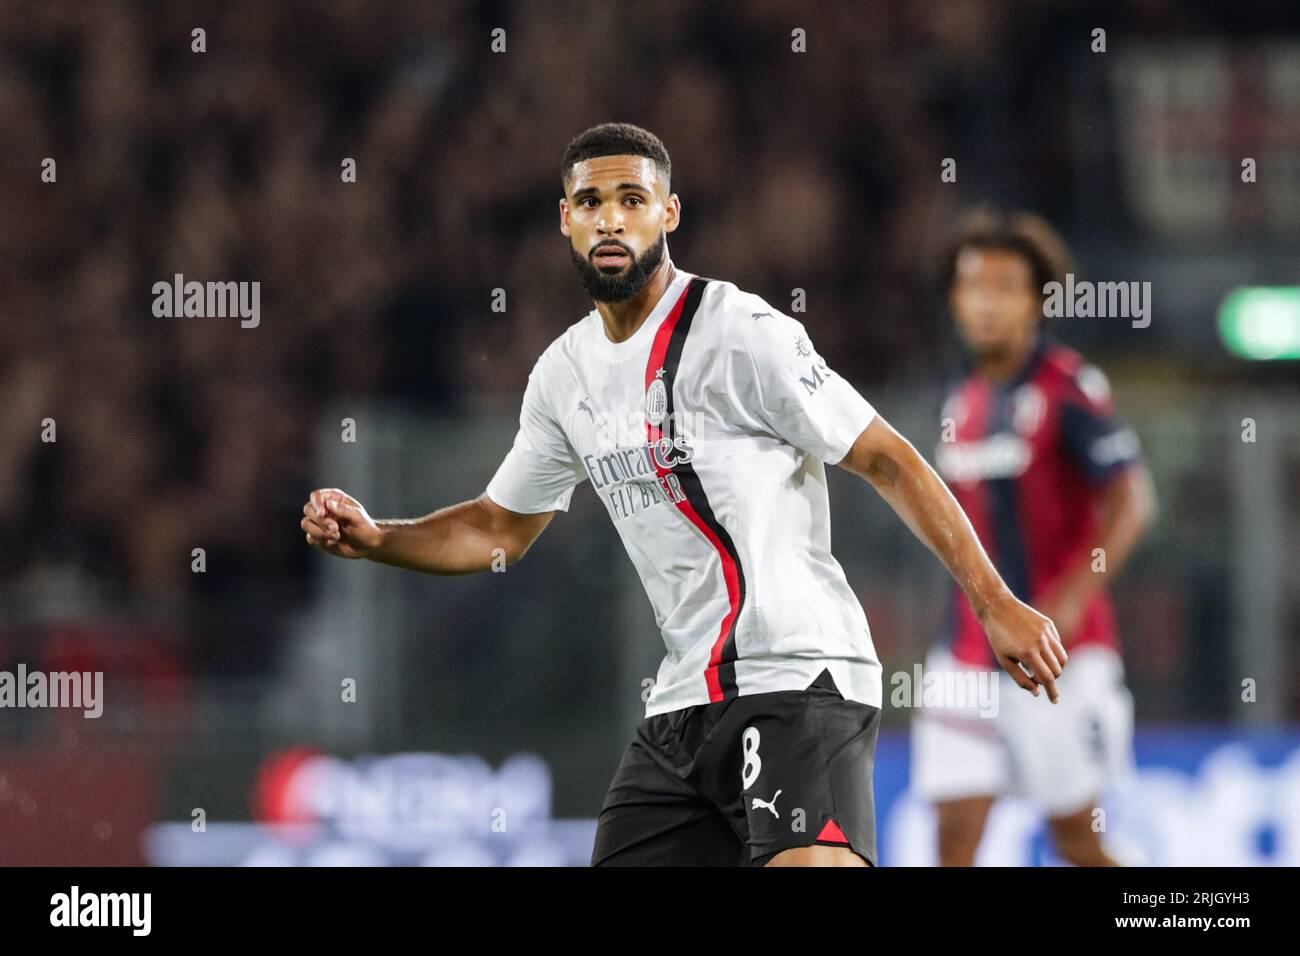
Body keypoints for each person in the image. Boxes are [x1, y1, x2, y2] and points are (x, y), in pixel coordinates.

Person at [300, 124, 1065, 867]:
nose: (612, 218)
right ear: (565, 220)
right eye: (592, 202)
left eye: (633, 199)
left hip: (799, 677)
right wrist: (378, 538)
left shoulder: (741, 332)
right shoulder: (564, 375)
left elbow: (889, 459)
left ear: (668, 213)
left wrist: (993, 600)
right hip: (681, 706)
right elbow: (498, 527)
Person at [911, 207, 1156, 866]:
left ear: (1036, 301)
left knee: (1077, 841)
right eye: (973, 286)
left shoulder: (1068, 386)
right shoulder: (956, 396)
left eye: (1005, 287)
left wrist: (1072, 597)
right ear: (954, 298)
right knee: (953, 839)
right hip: (965, 657)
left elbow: (1131, 499)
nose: (987, 303)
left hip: (1060, 659)